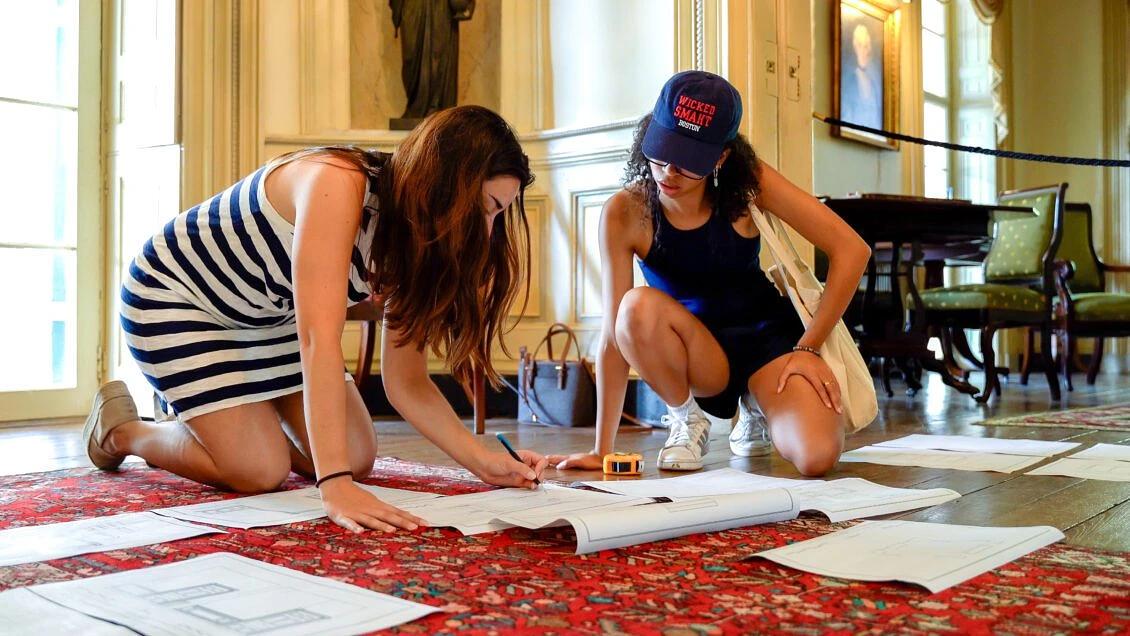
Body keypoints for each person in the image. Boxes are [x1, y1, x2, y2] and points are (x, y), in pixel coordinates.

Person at [84, 105, 547, 533]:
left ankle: (225, 417)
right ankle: (125, 431)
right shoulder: (338, 181)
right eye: (487, 208)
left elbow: (407, 382)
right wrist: (335, 486)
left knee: (358, 456)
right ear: (449, 184)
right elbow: (317, 342)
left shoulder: (420, 239)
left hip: (268, 316)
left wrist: (481, 461)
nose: (488, 232)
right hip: (178, 298)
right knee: (259, 471)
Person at [547, 71, 870, 477]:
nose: (667, 173)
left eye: (686, 164)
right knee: (633, 309)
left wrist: (809, 347)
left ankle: (756, 408)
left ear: (720, 158)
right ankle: (688, 420)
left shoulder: (749, 183)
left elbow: (852, 250)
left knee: (816, 457)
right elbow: (614, 336)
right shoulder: (623, 213)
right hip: (695, 355)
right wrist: (601, 449)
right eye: (660, 154)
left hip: (765, 340)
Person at [390, 0, 475, 121]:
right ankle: (415, 108)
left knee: (439, 55)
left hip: (441, 5)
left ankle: (437, 108)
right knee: (410, 57)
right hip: (412, 5)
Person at [841, 23, 883, 130]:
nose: (865, 51)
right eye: (861, 46)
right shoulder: (850, 81)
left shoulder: (873, 85)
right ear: (856, 49)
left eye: (867, 46)